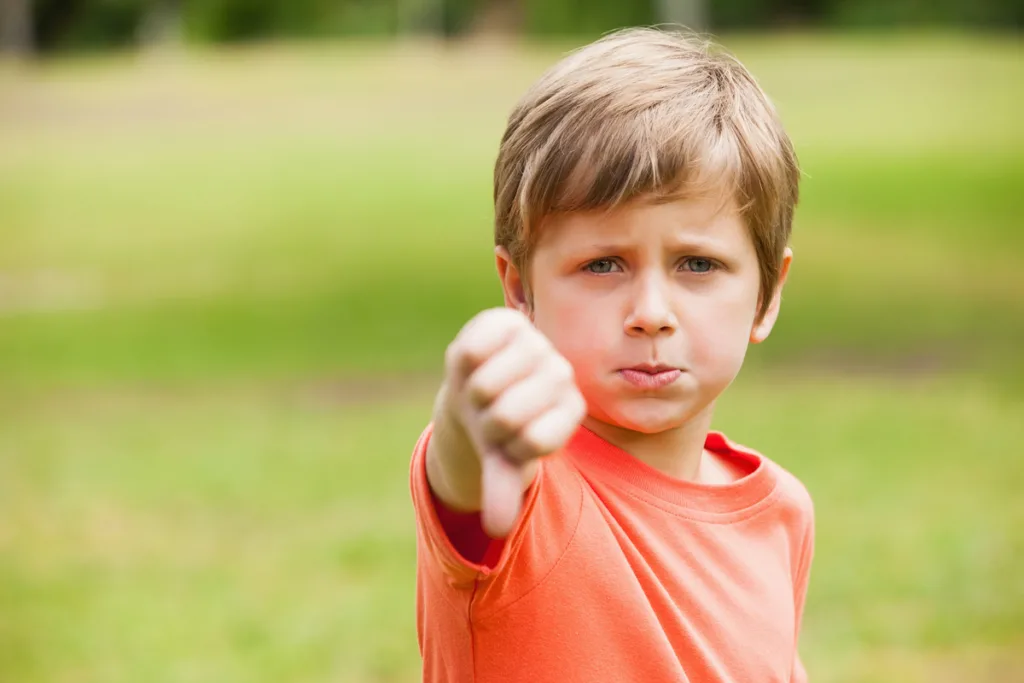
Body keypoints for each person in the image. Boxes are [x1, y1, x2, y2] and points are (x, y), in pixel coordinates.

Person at [409, 26, 814, 683]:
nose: (651, 311)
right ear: (520, 288)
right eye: (602, 263)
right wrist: (470, 408)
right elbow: (463, 466)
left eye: (697, 263)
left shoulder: (783, 513)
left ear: (767, 294)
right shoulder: (523, 488)